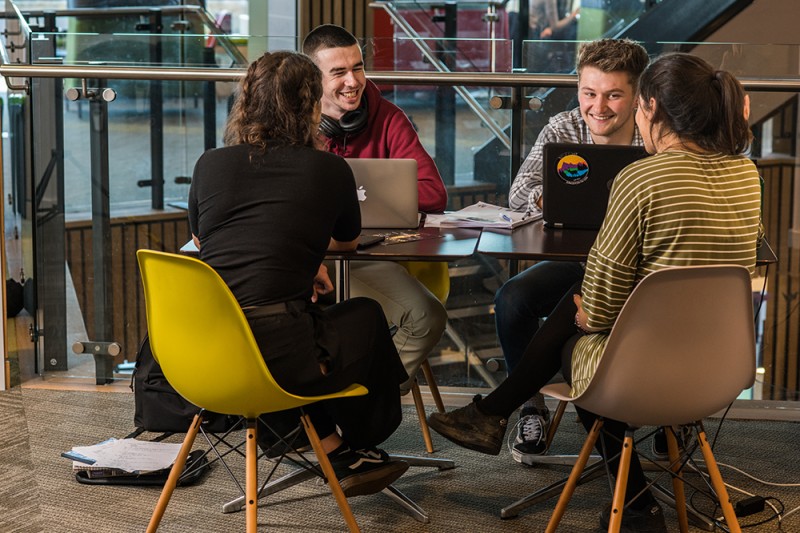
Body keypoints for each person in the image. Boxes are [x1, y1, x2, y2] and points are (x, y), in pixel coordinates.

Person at [429, 52, 762, 532]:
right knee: (562, 305)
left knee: (574, 340)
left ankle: (634, 501)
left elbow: (601, 307)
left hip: (639, 367)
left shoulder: (640, 178)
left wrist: (589, 314)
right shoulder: (746, 176)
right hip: (718, 365)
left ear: (648, 108)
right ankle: (495, 416)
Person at [187, 51, 410, 497]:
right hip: (277, 352)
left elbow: (203, 242)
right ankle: (362, 439)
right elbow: (345, 243)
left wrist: (294, 265)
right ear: (311, 107)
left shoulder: (209, 163)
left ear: (246, 102)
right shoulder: (328, 168)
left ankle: (322, 443)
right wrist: (305, 258)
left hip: (200, 350)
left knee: (302, 320)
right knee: (362, 314)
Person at [498, 38, 649, 465]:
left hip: (638, 270)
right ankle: (531, 408)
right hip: (577, 264)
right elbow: (520, 192)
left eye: (613, 95)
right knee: (512, 298)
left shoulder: (654, 131)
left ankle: (658, 418)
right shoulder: (563, 128)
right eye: (589, 93)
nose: (598, 107)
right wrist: (551, 198)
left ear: (637, 95)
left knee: (579, 316)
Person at [302, 24, 449, 393]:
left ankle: (365, 402)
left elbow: (434, 193)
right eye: (338, 72)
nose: (353, 81)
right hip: (304, 255)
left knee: (426, 316)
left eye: (358, 67)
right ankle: (315, 410)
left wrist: (356, 208)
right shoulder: (294, 122)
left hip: (365, 253)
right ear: (312, 78)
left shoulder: (389, 117)